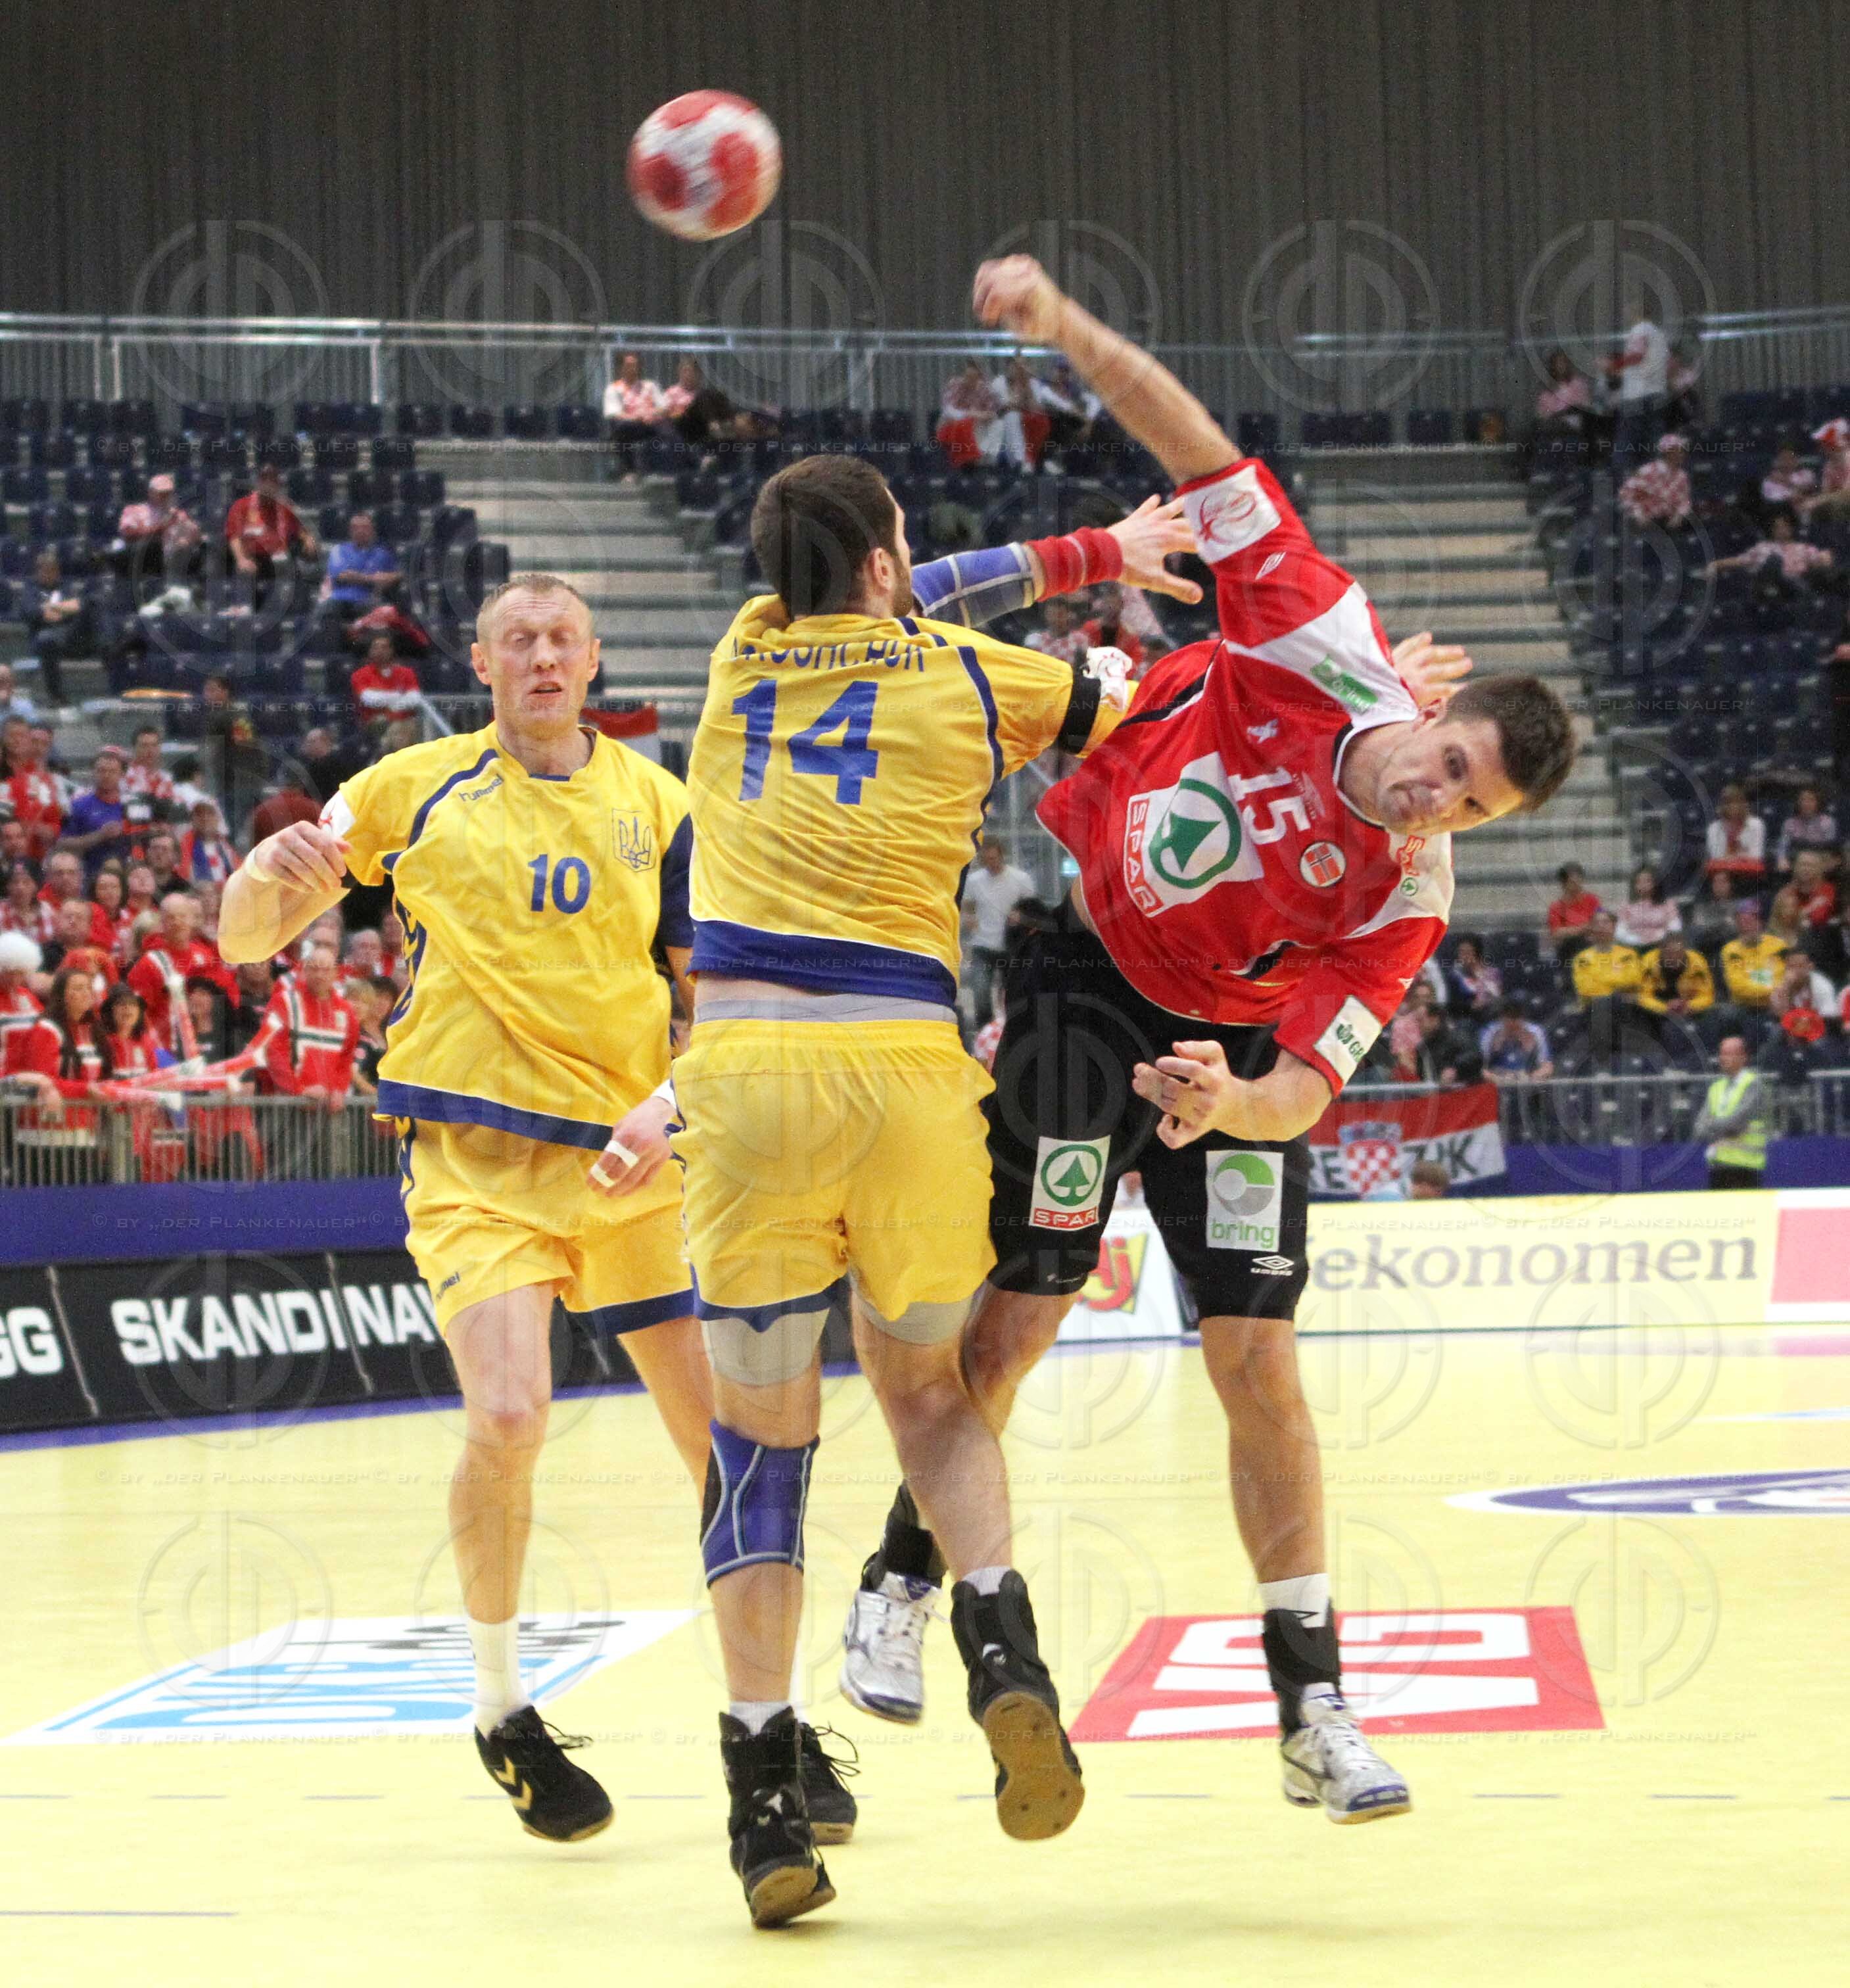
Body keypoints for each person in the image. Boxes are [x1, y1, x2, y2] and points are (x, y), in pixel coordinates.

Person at [838, 252, 1576, 1849]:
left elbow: (1318, 1073)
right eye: (1447, 764)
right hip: (1082, 972)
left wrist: (1242, 1096)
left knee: (1259, 1360)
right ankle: (901, 1582)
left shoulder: (1412, 882)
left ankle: (1313, 1706)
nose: (1432, 798)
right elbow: (1199, 452)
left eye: (1469, 803)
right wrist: (1064, 329)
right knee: (1020, 1316)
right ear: (1427, 709)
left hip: (1218, 1039)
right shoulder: (1321, 627)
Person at [219, 572, 722, 1853]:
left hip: (629, 1159)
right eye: (518, 641)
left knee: (727, 1452)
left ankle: (764, 1723)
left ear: (594, 657)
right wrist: (259, 877)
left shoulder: (661, 807)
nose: (542, 658)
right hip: (476, 1161)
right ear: (485, 664)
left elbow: (713, 1002)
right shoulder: (408, 787)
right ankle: (503, 1708)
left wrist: (670, 1105)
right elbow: (242, 941)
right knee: (507, 1414)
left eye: (562, 637)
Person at [128, 891, 236, 1058]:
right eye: (171, 918)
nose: (178, 923)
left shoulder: (206, 955)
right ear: (162, 923)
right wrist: (157, 1053)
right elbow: (138, 1016)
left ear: (193, 920)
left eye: (183, 916)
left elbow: (228, 998)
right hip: (168, 1052)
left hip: (209, 1049)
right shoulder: (149, 964)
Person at [962, 836, 1037, 1028]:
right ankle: (984, 1032)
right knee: (980, 991)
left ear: (1002, 856)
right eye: (986, 860)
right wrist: (969, 919)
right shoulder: (974, 881)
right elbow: (969, 907)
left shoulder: (1020, 879)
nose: (991, 864)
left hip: (1011, 946)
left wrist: (1021, 917)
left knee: (1011, 993)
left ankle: (1011, 1028)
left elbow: (1033, 909)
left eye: (994, 859)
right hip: (983, 945)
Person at [224, 460, 318, 605]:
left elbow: (301, 530)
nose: (268, 486)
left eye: (273, 482)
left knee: (295, 573)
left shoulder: (285, 507)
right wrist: (241, 559)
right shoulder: (242, 506)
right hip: (253, 559)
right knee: (244, 571)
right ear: (258, 483)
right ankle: (245, 612)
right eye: (264, 481)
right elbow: (234, 536)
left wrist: (307, 539)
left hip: (279, 559)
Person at [1692, 1035, 1770, 1189]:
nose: (1722, 1058)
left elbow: (1737, 1122)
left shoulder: (1753, 1085)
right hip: (1719, 1166)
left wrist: (1712, 1127)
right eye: (1721, 1054)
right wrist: (1723, 1129)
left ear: (1743, 1058)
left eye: (1729, 1054)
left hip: (1746, 1166)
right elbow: (1698, 1129)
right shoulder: (1716, 1088)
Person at [18, 551, 91, 709]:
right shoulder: (30, 588)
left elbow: (77, 608)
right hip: (41, 640)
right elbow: (30, 611)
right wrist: (60, 610)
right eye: (45, 570)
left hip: (68, 636)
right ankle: (56, 695)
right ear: (38, 571)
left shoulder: (66, 587)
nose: (50, 574)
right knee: (47, 638)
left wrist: (50, 608)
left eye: (53, 570)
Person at [114, 472, 203, 592]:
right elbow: (128, 533)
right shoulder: (135, 511)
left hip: (171, 561)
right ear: (151, 493)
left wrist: (190, 535)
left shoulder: (178, 515)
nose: (164, 497)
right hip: (143, 559)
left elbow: (195, 536)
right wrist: (162, 527)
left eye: (168, 493)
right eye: (161, 493)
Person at [59, 749, 134, 886]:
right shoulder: (78, 805)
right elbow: (64, 844)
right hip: (89, 875)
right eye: (102, 771)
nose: (106, 775)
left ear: (122, 774)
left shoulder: (134, 804)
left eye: (112, 771)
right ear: (93, 772)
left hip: (128, 875)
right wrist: (100, 835)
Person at [1606, 312, 1671, 463]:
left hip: (1637, 397)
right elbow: (1667, 367)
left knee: (1625, 447)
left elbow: (1636, 356)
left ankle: (1622, 483)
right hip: (1657, 395)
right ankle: (1656, 481)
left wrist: (1612, 365)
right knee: (1655, 446)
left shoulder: (1640, 329)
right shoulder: (1660, 335)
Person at [0, 715, 64, 863]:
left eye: (21, 736)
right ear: (3, 738)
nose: (17, 740)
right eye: (12, 735)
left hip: (32, 856)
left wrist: (49, 831)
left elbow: (52, 818)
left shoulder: (40, 778)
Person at [322, 512, 402, 627]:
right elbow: (342, 575)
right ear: (350, 531)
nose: (360, 531)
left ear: (372, 530)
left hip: (368, 601)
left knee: (382, 613)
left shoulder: (383, 554)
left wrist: (357, 577)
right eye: (355, 528)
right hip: (340, 600)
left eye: (365, 527)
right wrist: (373, 578)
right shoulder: (338, 550)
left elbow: (394, 577)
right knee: (326, 611)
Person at [1718, 901, 1788, 1028]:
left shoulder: (1778, 945)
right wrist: (1770, 988)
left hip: (1774, 1005)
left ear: (1760, 922)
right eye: (1742, 922)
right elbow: (1738, 987)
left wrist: (1751, 977)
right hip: (1745, 1008)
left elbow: (1781, 978)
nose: (1747, 926)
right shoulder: (1730, 951)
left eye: (1751, 921)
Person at [604, 352, 668, 477]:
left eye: (635, 365)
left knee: (668, 429)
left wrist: (651, 414)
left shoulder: (650, 386)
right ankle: (630, 471)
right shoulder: (614, 389)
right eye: (628, 365)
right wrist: (637, 418)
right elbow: (615, 414)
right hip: (630, 426)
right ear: (621, 368)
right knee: (622, 429)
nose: (632, 369)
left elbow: (664, 408)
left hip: (651, 424)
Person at [349, 634, 422, 735]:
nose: (380, 651)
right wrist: (399, 696)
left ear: (391, 650)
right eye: (376, 647)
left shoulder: (407, 673)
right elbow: (371, 700)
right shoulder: (360, 675)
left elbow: (415, 699)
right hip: (375, 723)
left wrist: (387, 701)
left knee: (410, 725)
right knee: (396, 727)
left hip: (405, 721)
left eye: (384, 647)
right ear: (370, 651)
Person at [1617, 433, 1693, 531]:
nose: (1682, 454)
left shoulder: (1682, 476)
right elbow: (1626, 495)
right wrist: (1638, 514)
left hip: (1671, 525)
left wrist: (1679, 516)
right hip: (1648, 525)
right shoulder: (1647, 471)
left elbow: (1684, 501)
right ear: (1668, 453)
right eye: (1679, 451)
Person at [663, 359, 738, 452]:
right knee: (703, 397)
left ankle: (727, 425)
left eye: (692, 372)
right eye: (685, 371)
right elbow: (665, 414)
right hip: (684, 424)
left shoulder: (705, 394)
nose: (688, 375)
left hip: (702, 426)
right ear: (679, 374)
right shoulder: (672, 392)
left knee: (717, 395)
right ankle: (718, 426)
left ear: (698, 375)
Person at [1705, 784, 1767, 886]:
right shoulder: (1714, 828)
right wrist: (1742, 856)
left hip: (1750, 875)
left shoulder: (1757, 825)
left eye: (1736, 802)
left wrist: (1731, 858)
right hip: (1723, 875)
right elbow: (1716, 858)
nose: (1733, 806)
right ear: (1722, 806)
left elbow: (1757, 856)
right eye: (1728, 803)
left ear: (1744, 804)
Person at [1480, 1000, 1554, 1081]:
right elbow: (1480, 1068)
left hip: (1525, 1078)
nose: (1513, 1021)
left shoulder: (1536, 1031)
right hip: (1496, 1077)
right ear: (1502, 1017)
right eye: (1509, 1017)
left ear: (1523, 1017)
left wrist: (1531, 1077)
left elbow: (1548, 1067)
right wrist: (1499, 1079)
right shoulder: (1490, 1031)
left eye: (1517, 1017)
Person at [1613, 864, 1682, 950]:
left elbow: (1675, 928)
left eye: (1648, 881)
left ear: (1656, 883)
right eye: (1639, 882)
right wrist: (1637, 940)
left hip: (1661, 946)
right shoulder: (1626, 906)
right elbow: (1620, 932)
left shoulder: (1668, 905)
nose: (1643, 885)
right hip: (1633, 946)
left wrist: (1657, 937)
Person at [177, 797, 238, 888]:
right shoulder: (181, 847)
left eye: (210, 814)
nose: (205, 818)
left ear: (218, 818)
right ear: (192, 820)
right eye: (199, 814)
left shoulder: (227, 850)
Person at [1547, 861, 1603, 958]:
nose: (1578, 886)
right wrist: (1582, 928)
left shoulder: (1593, 901)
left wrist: (1569, 930)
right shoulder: (1556, 907)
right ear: (1564, 884)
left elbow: (1600, 922)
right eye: (1572, 882)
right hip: (1568, 950)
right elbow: (1556, 933)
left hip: (1590, 946)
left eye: (1579, 881)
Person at [1776, 785, 1837, 872]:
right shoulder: (1789, 823)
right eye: (1803, 800)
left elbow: (1830, 849)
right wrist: (1781, 860)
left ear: (1818, 803)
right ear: (1798, 803)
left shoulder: (1828, 822)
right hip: (1796, 861)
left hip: (1819, 861)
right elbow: (1783, 846)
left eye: (1811, 800)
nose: (1806, 804)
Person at [1802, 417, 1850, 523]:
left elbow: (1847, 494)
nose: (1822, 448)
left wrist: (1818, 501)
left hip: (1845, 503)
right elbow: (1826, 493)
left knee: (1835, 506)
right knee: (1819, 510)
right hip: (1842, 506)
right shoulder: (1830, 466)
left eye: (1825, 444)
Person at [1444, 934, 1503, 1018]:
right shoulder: (1455, 976)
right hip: (1468, 1018)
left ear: (1477, 953)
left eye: (1468, 952)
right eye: (1461, 952)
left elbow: (1498, 996)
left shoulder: (1493, 973)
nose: (1464, 956)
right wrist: (1471, 1006)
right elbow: (1452, 1006)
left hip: (1493, 1014)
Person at [1024, 594, 1088, 663]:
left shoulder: (1079, 641)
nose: (1056, 619)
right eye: (1052, 614)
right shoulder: (1035, 640)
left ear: (1068, 614)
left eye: (1060, 614)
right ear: (1046, 615)